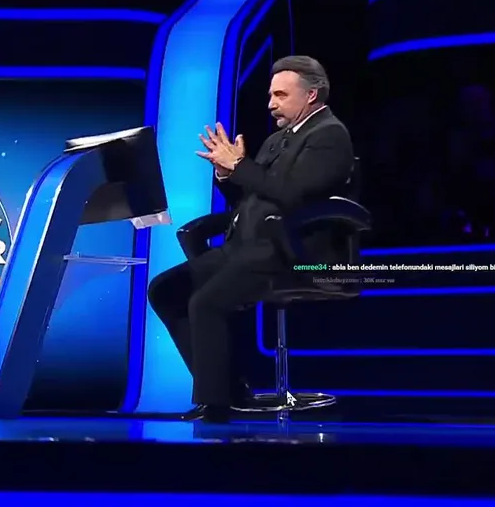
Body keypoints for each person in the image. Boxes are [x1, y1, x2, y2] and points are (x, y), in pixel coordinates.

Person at [147, 56, 355, 423]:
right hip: (248, 246)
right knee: (165, 290)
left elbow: (294, 195)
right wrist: (227, 175)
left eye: (280, 95)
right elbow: (252, 199)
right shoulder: (278, 139)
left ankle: (217, 405)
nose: (271, 104)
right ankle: (229, 389)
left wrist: (242, 167)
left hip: (290, 251)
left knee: (206, 302)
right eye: (271, 95)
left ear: (311, 95)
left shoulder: (329, 136)